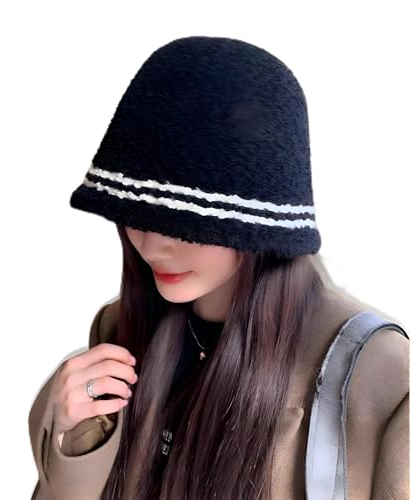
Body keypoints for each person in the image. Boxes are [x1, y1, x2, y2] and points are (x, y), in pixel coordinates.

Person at [28, 36, 409, 500]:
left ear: (259, 226)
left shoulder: (380, 377)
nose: (152, 245)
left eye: (187, 225)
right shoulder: (121, 330)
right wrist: (74, 444)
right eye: (137, 216)